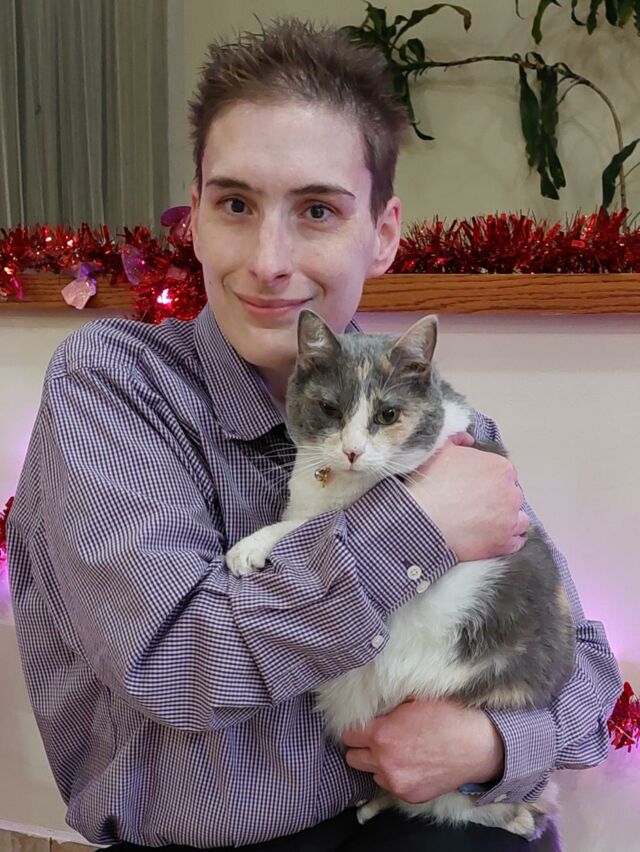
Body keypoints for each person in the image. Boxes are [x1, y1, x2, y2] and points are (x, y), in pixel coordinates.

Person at [8, 18, 621, 852]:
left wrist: (492, 744)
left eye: (318, 210)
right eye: (235, 204)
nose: (269, 260)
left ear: (384, 233)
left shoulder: (429, 417)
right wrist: (418, 528)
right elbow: (175, 666)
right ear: (194, 219)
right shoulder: (116, 387)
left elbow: (585, 670)